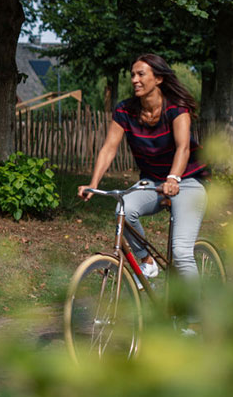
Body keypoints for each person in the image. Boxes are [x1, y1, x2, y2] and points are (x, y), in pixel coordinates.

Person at [78, 54, 208, 326]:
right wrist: (94, 183)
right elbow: (109, 147)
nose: (134, 80)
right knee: (124, 208)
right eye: (132, 75)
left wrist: (174, 177)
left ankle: (194, 321)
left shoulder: (176, 107)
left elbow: (183, 147)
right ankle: (146, 261)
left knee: (181, 252)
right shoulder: (126, 110)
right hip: (152, 182)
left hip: (187, 181)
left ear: (158, 78)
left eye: (141, 75)